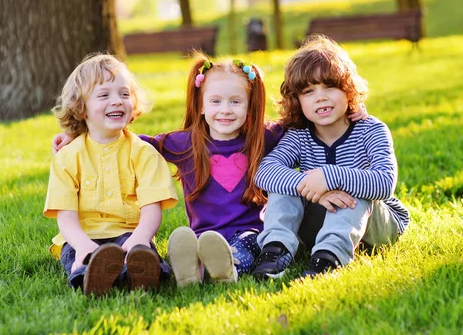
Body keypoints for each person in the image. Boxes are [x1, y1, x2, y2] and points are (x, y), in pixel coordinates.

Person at [52, 54, 368, 288]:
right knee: (196, 245)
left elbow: (306, 124)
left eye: (235, 102)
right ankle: (190, 269)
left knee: (243, 247)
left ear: (250, 106)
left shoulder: (264, 136)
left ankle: (219, 271)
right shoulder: (185, 142)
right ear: (201, 104)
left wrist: (350, 112)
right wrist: (79, 134)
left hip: (253, 231)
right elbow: (131, 142)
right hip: (204, 235)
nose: (225, 110)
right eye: (215, 101)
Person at [252, 35, 410, 280]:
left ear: (349, 91)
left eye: (329, 87)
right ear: (297, 100)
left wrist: (329, 176)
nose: (320, 97)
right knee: (283, 184)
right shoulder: (299, 135)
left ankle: (328, 259)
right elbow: (264, 172)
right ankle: (276, 251)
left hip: (376, 227)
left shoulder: (372, 130)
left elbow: (384, 183)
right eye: (309, 91)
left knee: (356, 188)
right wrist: (313, 187)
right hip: (318, 221)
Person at [43, 54, 178, 296]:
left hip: (129, 232)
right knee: (83, 258)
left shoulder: (144, 153)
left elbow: (151, 209)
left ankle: (141, 273)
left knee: (142, 254)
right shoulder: (67, 157)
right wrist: (83, 245)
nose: (117, 101)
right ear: (80, 107)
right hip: (82, 236)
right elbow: (66, 216)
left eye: (124, 94)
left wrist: (140, 237)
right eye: (104, 95)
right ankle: (93, 276)